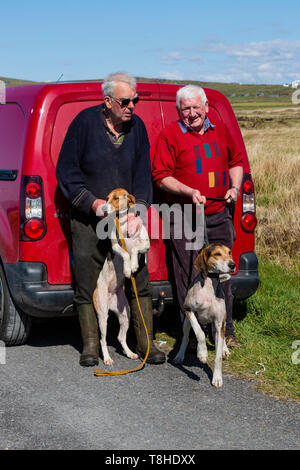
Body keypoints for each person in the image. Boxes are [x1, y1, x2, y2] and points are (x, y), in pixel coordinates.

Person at [56, 72, 165, 366]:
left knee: (138, 278)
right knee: (87, 281)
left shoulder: (138, 127)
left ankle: (146, 344)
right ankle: (91, 345)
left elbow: (144, 176)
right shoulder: (83, 124)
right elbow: (67, 173)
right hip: (90, 217)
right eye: (126, 101)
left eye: (136, 100)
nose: (132, 106)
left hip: (127, 217)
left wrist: (138, 212)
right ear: (107, 101)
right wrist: (93, 204)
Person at [152, 84, 243, 347]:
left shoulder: (221, 130)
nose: (191, 113)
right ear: (178, 111)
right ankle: (190, 335)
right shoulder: (169, 134)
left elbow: (236, 161)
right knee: (189, 274)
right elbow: (160, 176)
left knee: (224, 271)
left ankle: (225, 331)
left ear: (205, 107)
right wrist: (188, 190)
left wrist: (235, 188)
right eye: (185, 109)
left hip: (218, 212)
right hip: (184, 215)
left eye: (195, 107)